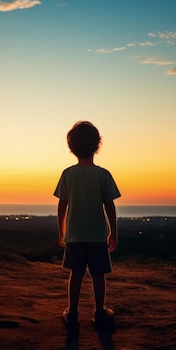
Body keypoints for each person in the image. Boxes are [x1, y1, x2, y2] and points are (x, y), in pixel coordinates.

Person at [54, 120, 121, 329]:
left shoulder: (68, 174)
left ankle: (72, 312)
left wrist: (62, 230)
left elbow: (62, 205)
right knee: (98, 275)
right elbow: (110, 207)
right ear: (97, 145)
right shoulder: (103, 174)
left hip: (75, 235)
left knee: (76, 274)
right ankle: (100, 312)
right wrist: (113, 233)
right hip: (97, 235)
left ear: (71, 147)